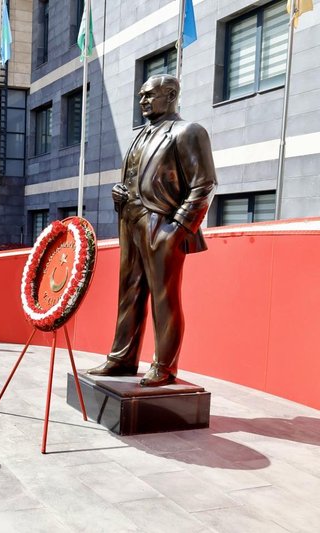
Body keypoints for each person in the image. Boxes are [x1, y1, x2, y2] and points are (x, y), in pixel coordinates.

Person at [87, 74, 217, 387]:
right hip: (130, 221)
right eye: (141, 96)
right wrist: (120, 192)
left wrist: (179, 227)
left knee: (164, 298)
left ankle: (164, 366)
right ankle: (122, 358)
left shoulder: (188, 132)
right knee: (129, 292)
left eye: (149, 95)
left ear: (171, 94)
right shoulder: (141, 135)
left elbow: (205, 184)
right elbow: (138, 178)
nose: (143, 101)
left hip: (162, 224)